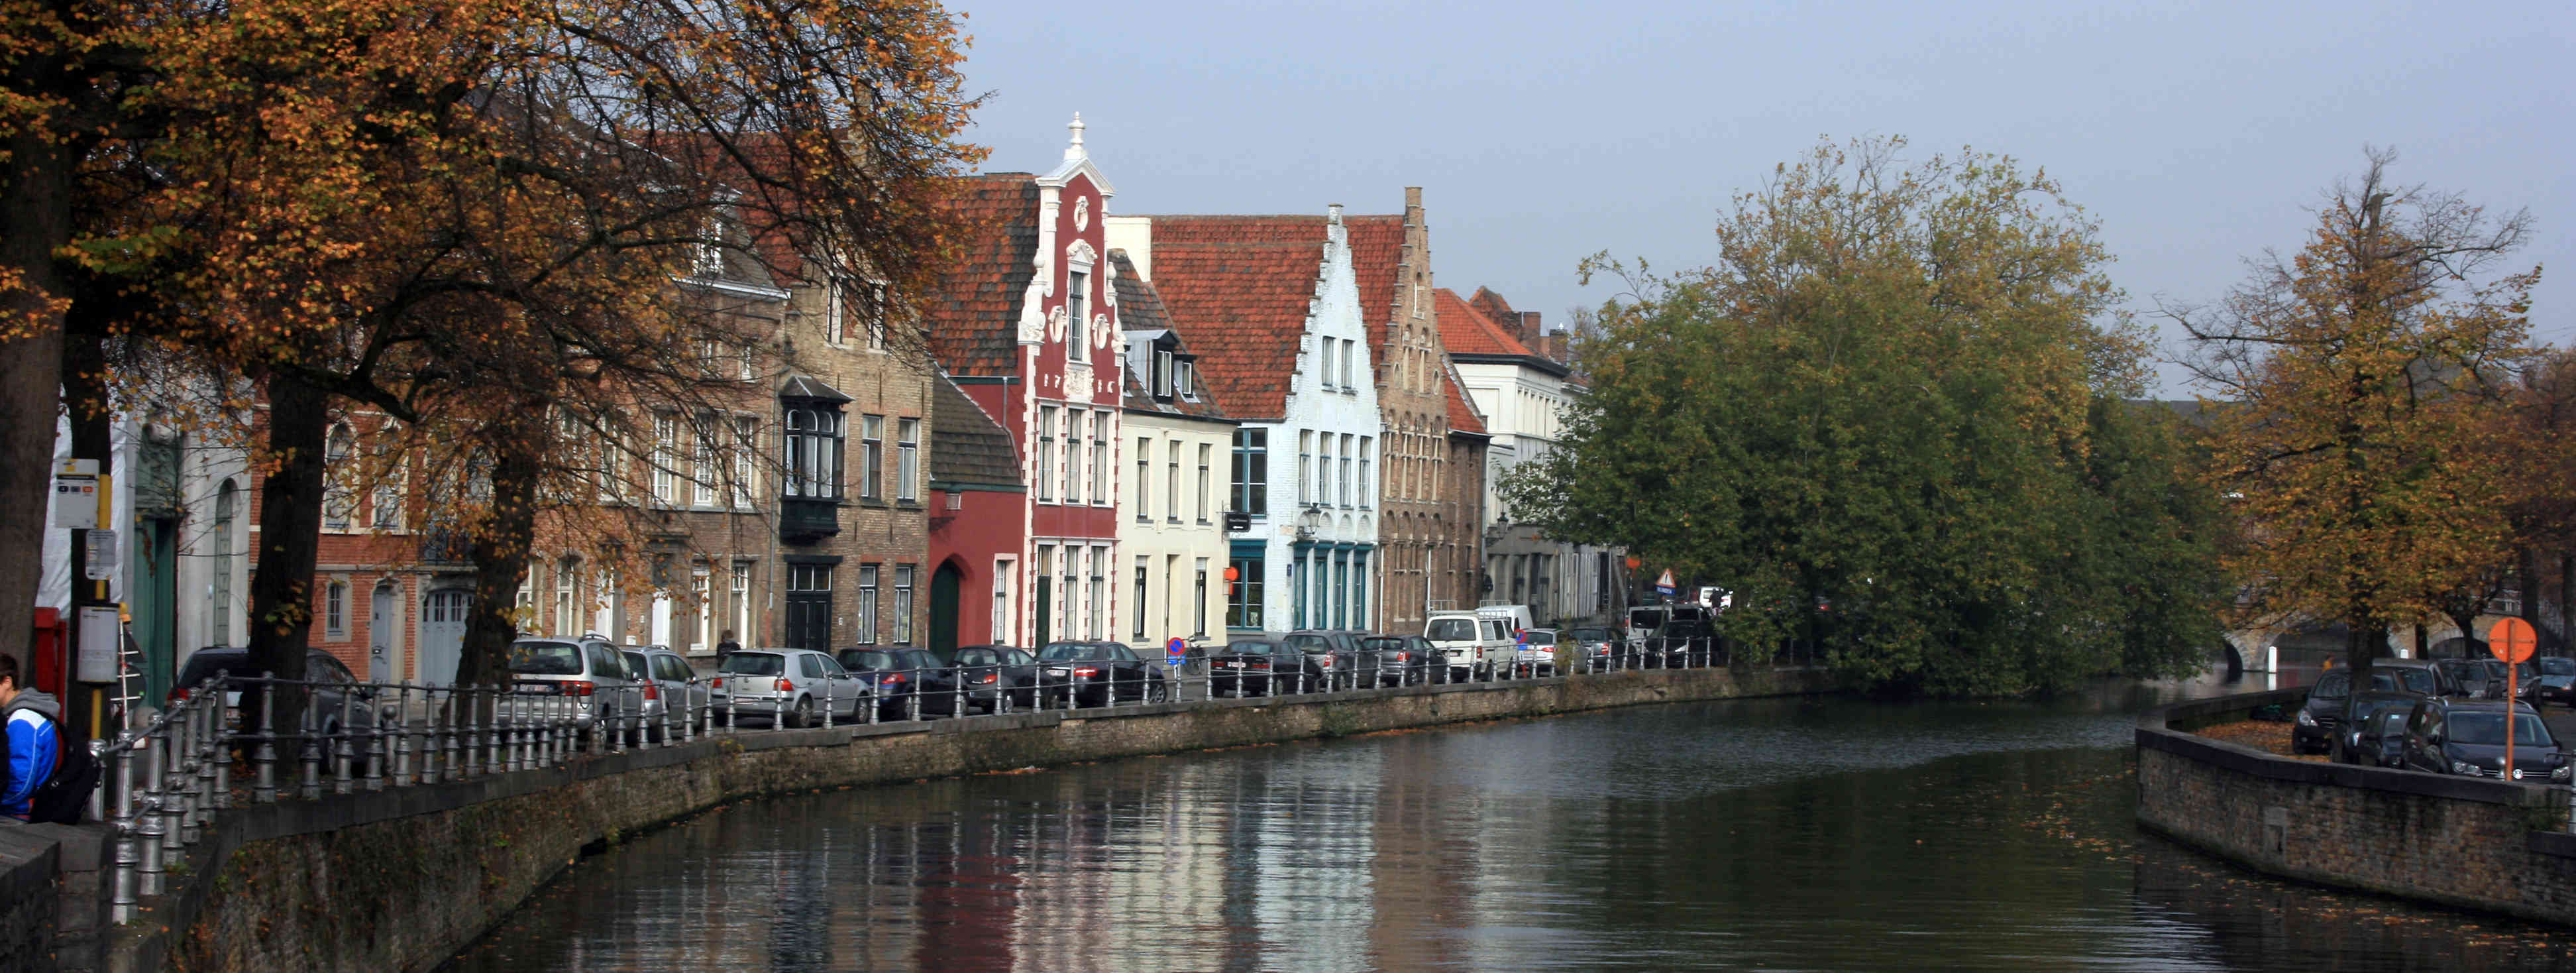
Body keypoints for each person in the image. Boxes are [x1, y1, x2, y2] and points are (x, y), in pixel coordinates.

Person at [0, 653, 62, 823]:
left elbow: (21, 779)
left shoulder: (23, 720)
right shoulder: (28, 712)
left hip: (16, 813)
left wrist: (4, 802)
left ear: (7, 682)